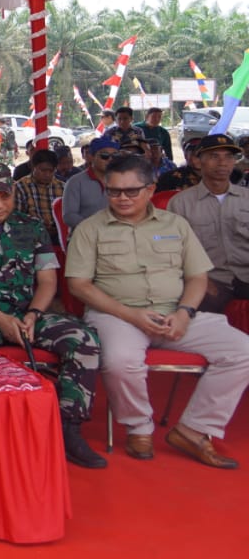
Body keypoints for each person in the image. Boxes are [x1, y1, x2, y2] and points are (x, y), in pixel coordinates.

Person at [66, 153, 249, 468]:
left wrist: (184, 313)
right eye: (114, 191)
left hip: (173, 313)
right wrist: (132, 315)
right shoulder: (90, 229)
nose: (122, 198)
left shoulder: (175, 225)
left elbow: (197, 277)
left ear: (150, 189)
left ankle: (194, 429)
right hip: (116, 315)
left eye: (131, 191)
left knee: (242, 349)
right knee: (120, 361)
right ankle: (139, 427)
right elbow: (79, 286)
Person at [0, 164, 105, 468]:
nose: (0, 204)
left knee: (83, 339)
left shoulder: (33, 227)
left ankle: (69, 427)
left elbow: (48, 282)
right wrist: (1, 320)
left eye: (6, 196)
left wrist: (33, 315)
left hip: (29, 313)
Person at [169, 135, 249, 314]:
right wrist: (202, 281)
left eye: (229, 157)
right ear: (198, 160)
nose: (222, 163)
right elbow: (173, 252)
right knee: (194, 312)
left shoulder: (246, 199)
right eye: (214, 156)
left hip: (245, 273)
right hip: (210, 279)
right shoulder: (180, 203)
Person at [62, 136, 117, 231]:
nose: (110, 159)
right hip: (85, 237)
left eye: (115, 156)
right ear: (91, 157)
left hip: (118, 235)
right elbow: (69, 216)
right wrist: (96, 228)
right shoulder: (75, 182)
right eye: (105, 156)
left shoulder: (122, 181)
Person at [14, 148, 64, 242]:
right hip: (30, 237)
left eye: (51, 171)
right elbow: (17, 217)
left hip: (59, 236)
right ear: (33, 167)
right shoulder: (20, 187)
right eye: (43, 170)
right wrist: (38, 225)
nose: (47, 174)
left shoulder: (63, 187)